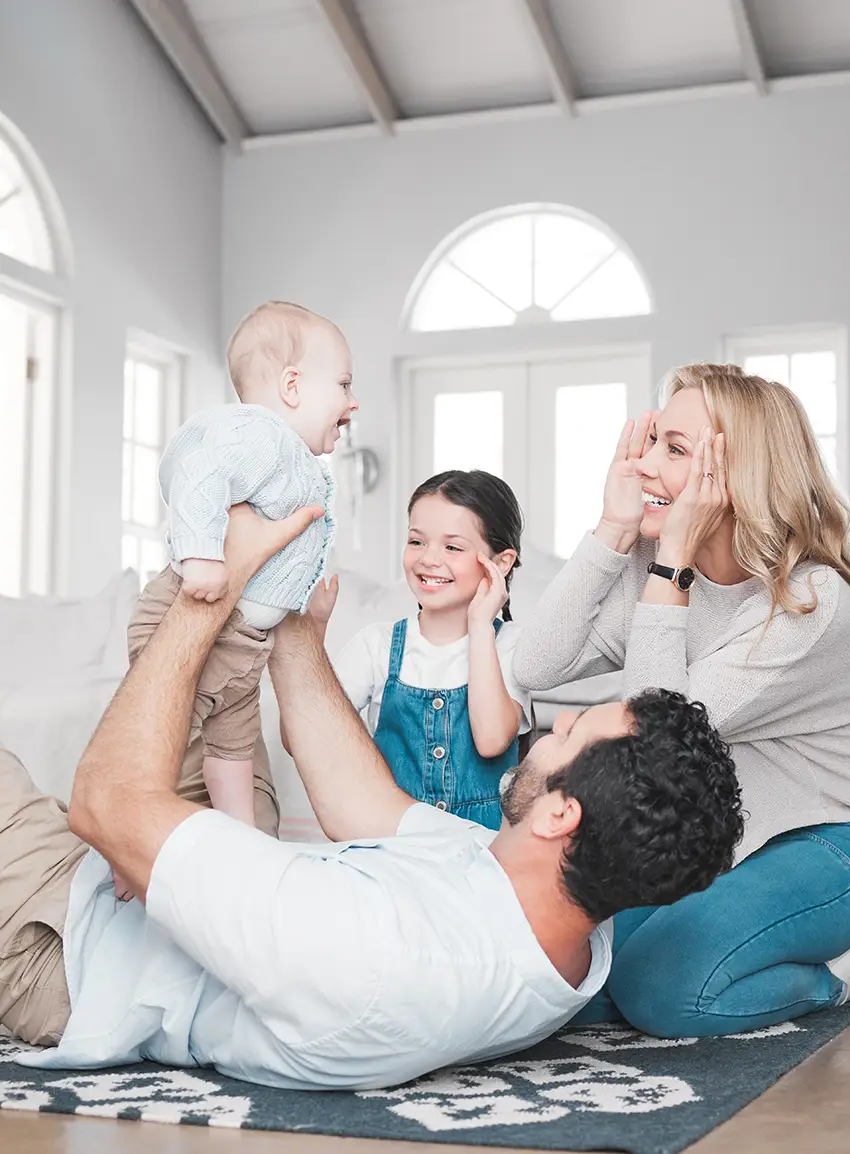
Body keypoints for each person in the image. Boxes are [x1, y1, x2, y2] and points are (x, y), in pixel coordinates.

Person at [2, 504, 743, 1091]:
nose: (564, 717)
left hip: (68, 947)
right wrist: (293, 623)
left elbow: (107, 802)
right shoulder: (556, 924)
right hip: (147, 898)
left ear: (560, 814)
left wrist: (221, 581)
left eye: (576, 732)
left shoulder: (371, 951)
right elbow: (363, 802)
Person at [513, 362, 850, 1037]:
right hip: (715, 844)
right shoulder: (651, 560)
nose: (646, 466)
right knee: (570, 977)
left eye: (677, 450)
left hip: (825, 849)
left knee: (661, 993)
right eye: (654, 440)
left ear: (738, 476)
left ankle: (843, 974)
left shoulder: (811, 604)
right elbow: (534, 664)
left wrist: (672, 561)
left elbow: (648, 743)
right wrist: (611, 529)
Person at [122, 301, 355, 890]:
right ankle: (124, 846)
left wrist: (305, 605)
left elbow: (276, 560)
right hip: (193, 617)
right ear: (293, 385)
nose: (352, 404)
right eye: (345, 385)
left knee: (232, 746)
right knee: (168, 739)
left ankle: (243, 845)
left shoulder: (289, 456)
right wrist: (200, 555)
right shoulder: (257, 433)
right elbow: (196, 468)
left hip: (242, 640)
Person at [330, 470, 531, 828]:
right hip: (390, 845)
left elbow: (491, 740)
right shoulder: (375, 646)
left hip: (480, 854)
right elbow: (310, 735)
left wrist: (481, 624)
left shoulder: (511, 646)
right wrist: (311, 630)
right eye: (417, 541)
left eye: (452, 547)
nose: (428, 559)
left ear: (500, 563)